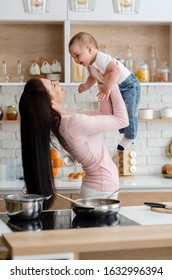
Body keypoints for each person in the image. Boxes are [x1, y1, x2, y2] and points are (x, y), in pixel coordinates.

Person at [19, 78, 129, 209]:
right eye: (53, 85)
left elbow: (104, 114)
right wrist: (112, 81)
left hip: (100, 189)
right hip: (100, 190)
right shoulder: (72, 123)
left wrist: (102, 81)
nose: (58, 83)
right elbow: (122, 120)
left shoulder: (67, 118)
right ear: (51, 102)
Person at [69, 32, 140, 150]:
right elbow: (93, 76)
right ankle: (124, 131)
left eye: (77, 55)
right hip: (117, 86)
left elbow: (115, 70)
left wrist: (107, 88)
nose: (76, 60)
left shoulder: (101, 58)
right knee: (118, 112)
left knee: (129, 111)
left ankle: (130, 137)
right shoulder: (89, 63)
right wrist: (86, 85)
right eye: (73, 58)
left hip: (129, 85)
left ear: (90, 49)